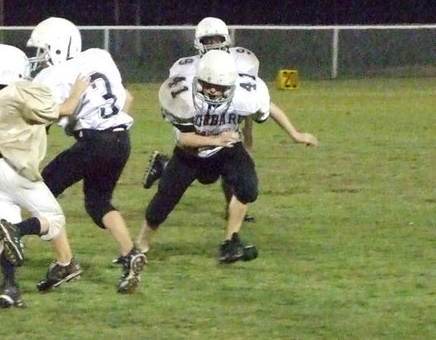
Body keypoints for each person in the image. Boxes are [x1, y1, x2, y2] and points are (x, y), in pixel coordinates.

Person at [134, 49, 318, 263]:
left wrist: (295, 134)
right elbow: (184, 139)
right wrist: (216, 140)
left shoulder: (244, 93)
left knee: (248, 187)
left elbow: (269, 107)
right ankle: (140, 247)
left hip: (227, 149)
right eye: (208, 85)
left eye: (219, 87)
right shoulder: (183, 95)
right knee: (162, 201)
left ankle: (230, 241)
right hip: (190, 154)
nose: (212, 91)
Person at [142, 16, 303, 223]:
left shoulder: (241, 63)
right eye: (208, 41)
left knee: (228, 163)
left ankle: (230, 208)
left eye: (217, 39)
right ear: (198, 43)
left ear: (227, 40)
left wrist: (248, 130)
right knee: (195, 172)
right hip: (197, 130)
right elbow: (176, 105)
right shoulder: (185, 69)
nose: (213, 45)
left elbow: (248, 102)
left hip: (225, 125)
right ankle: (165, 167)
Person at [27, 16, 147, 293]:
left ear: (57, 48)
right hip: (120, 139)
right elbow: (127, 97)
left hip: (94, 142)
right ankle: (131, 255)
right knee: (98, 203)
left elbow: (48, 117)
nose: (39, 57)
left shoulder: (51, 76)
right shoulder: (99, 57)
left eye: (43, 50)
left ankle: (64, 262)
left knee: (42, 193)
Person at [0, 44, 90, 308]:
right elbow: (66, 109)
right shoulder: (18, 92)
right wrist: (78, 90)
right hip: (11, 165)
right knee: (54, 221)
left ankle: (9, 288)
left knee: (5, 239)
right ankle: (19, 231)